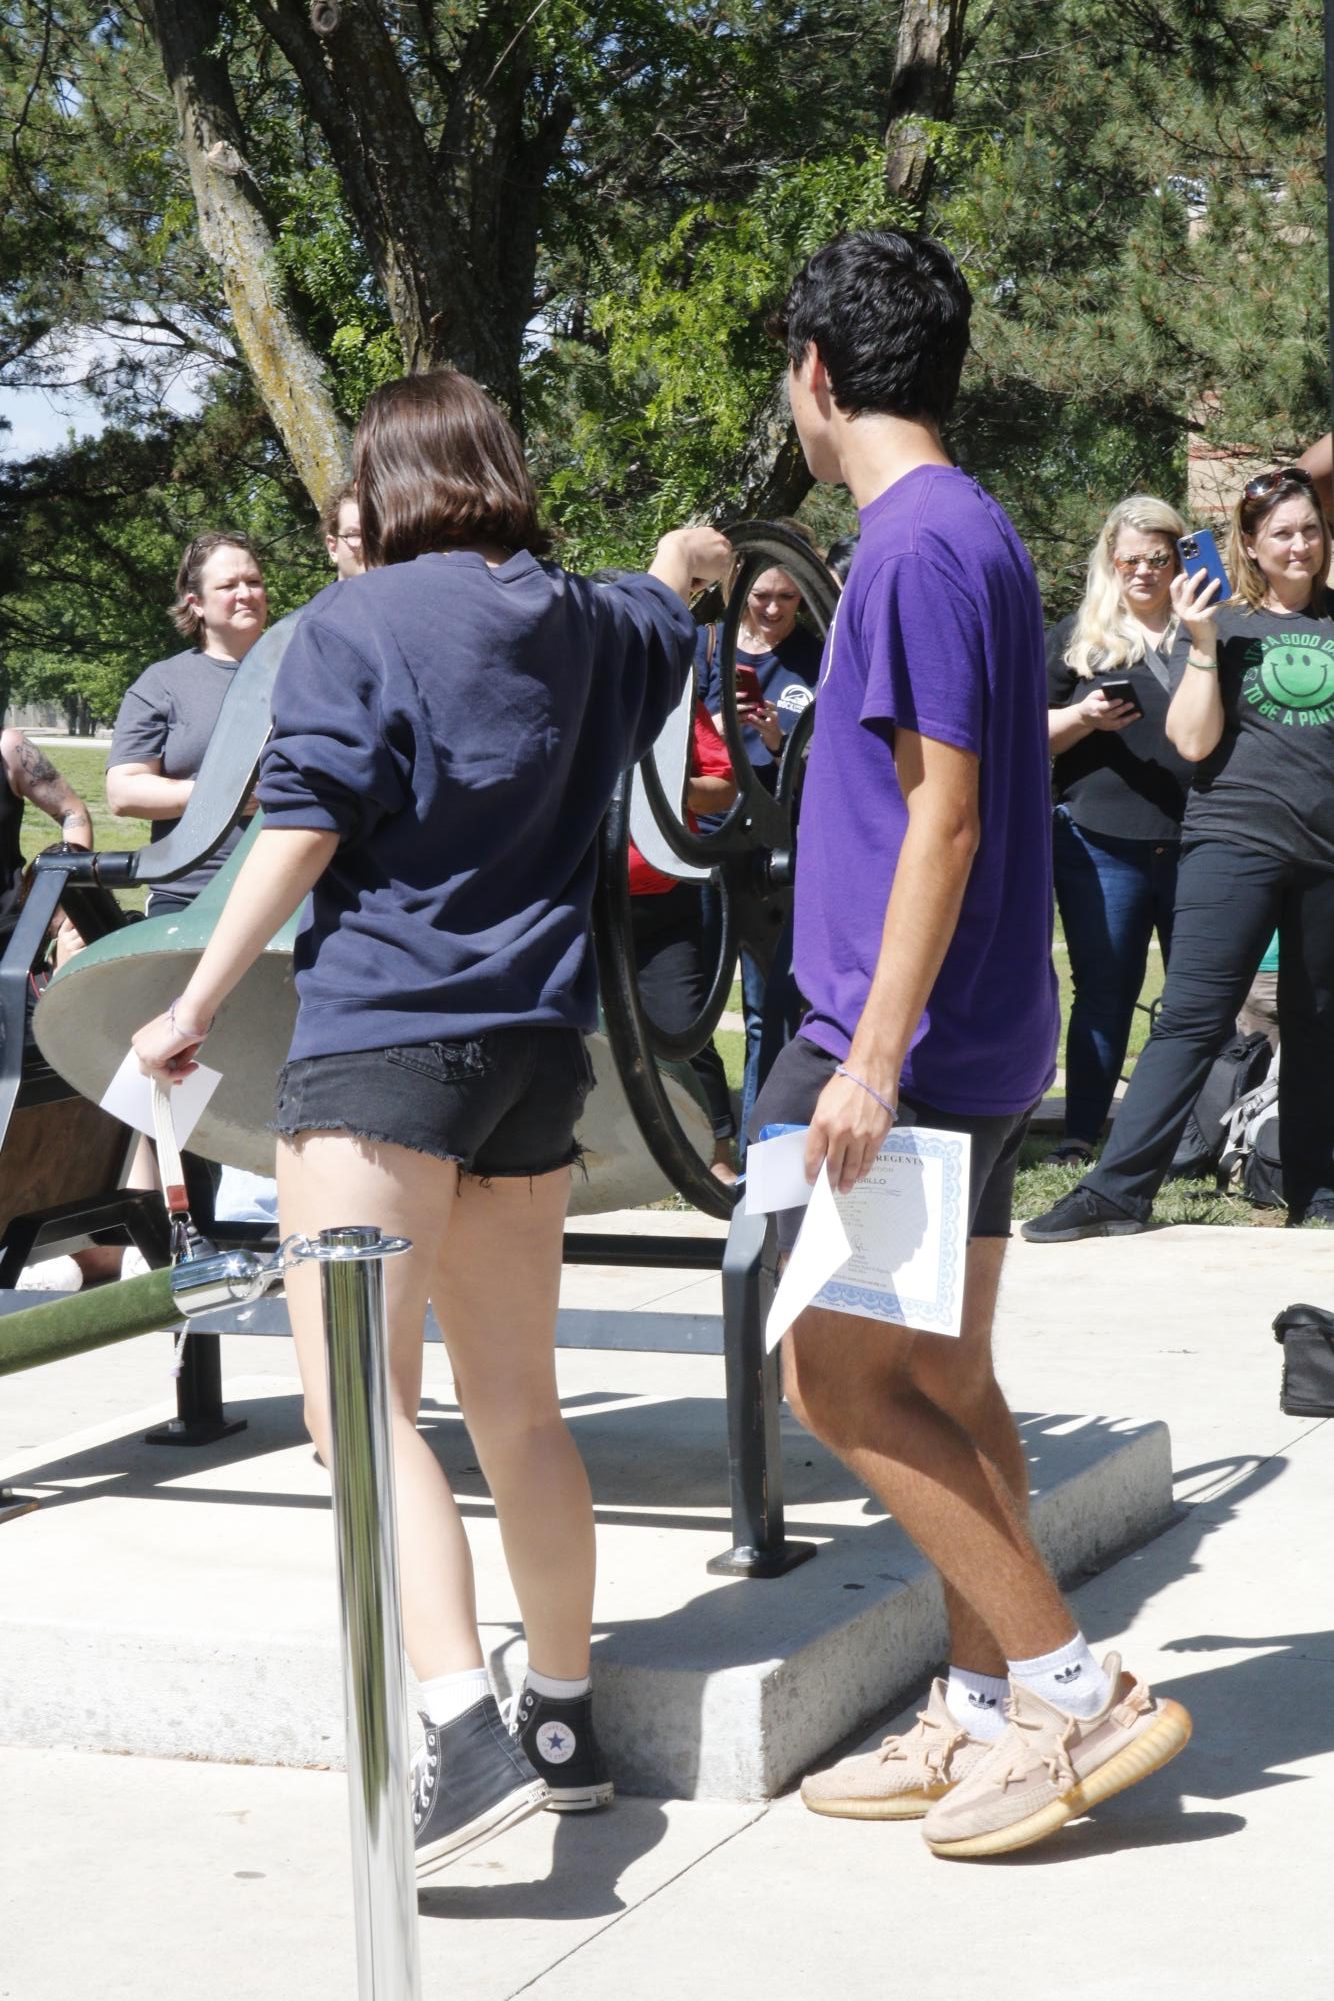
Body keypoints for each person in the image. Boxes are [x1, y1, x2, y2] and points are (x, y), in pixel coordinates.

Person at [131, 367, 731, 1877]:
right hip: (539, 1057)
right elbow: (671, 595)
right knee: (518, 1409)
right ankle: (562, 1726)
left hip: (384, 1052)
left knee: (359, 1414)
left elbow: (305, 821)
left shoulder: (346, 627)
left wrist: (195, 1000)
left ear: (384, 487)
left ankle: (460, 1727)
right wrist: (691, 555)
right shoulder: (592, 620)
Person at [751, 228, 1190, 1858]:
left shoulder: (913, 543)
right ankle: (980, 1706)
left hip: (912, 1042)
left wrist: (864, 1058)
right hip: (983, 1027)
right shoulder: (967, 531)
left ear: (816, 372)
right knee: (938, 1373)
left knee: (833, 1376)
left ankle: (1070, 1688)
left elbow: (940, 818)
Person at [1025, 463, 1334, 1239]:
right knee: (1191, 1019)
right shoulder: (1225, 627)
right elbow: (1192, 739)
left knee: (1319, 1021)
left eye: (1311, 530)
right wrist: (1200, 642)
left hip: (1326, 856)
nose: (1301, 545)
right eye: (1283, 534)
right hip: (1232, 842)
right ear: (1253, 547)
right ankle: (1116, 1190)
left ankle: (1316, 1189)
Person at [1045, 496, 1195, 1165]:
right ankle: (1081, 1135)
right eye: (1130, 558)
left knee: (1197, 999)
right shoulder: (1076, 635)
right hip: (1099, 842)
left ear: (1178, 557)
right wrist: (1083, 717)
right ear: (1111, 558)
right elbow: (1024, 736)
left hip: (1201, 841)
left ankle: (1191, 1138)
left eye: (1157, 557)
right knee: (1105, 993)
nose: (1143, 570)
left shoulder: (1208, 628)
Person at [696, 545, 822, 1152]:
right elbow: (669, 747)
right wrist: (717, 729)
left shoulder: (817, 657)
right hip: (701, 839)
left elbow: (826, 764)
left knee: (765, 1006)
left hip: (775, 846)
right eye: (761, 596)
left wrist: (777, 738)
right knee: (689, 1001)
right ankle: (711, 1137)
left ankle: (759, 1147)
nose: (772, 609)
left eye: (787, 598)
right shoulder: (706, 646)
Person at [107, 532, 269, 918]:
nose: (246, 593)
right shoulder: (162, 683)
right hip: (190, 896)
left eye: (254, 581)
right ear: (195, 604)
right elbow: (123, 791)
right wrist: (215, 796)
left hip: (299, 893)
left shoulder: (310, 670)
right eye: (228, 585)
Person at [627, 697, 740, 1183]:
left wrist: (666, 786)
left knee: (683, 1033)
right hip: (574, 901)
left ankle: (716, 1153)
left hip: (663, 898)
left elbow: (723, 787)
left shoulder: (672, 697)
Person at [321, 484, 365, 579]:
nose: (369, 545)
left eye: (376, 534)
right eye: (355, 534)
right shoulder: (327, 594)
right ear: (333, 548)